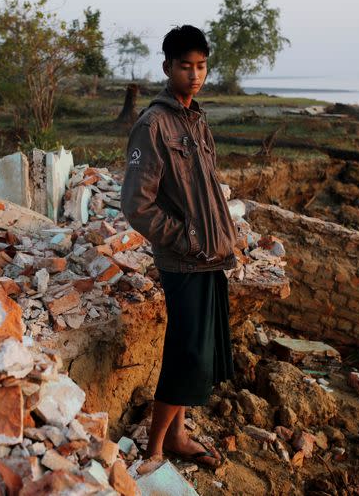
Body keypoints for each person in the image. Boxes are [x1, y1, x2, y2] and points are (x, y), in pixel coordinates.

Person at [121, 25, 239, 470]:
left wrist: (219, 237)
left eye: (201, 66)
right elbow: (136, 205)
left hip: (210, 256)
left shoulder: (196, 119)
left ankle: (179, 434)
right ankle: (155, 450)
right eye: (185, 66)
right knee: (186, 353)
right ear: (167, 67)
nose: (194, 74)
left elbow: (204, 189)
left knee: (197, 350)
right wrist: (187, 237)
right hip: (183, 259)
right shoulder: (153, 125)